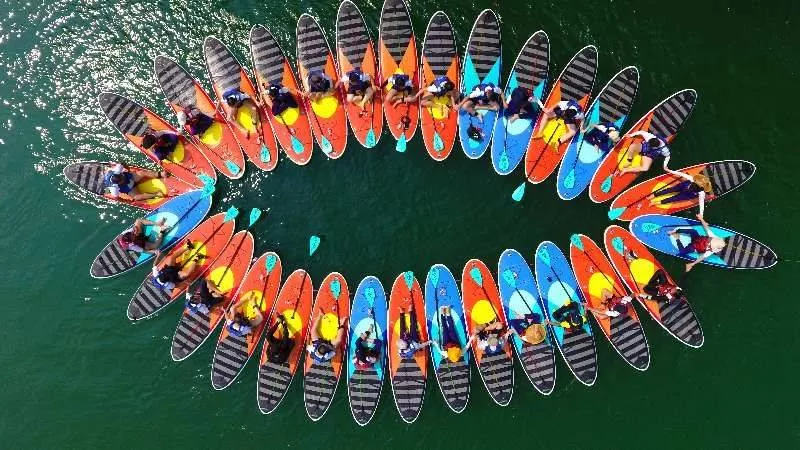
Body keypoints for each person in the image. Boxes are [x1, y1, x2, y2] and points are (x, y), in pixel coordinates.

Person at [648, 168, 714, 219]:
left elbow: (701, 203)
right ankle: (654, 195)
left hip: (687, 195)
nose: (695, 182)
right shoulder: (692, 179)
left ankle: (655, 203)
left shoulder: (701, 193)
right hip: (682, 186)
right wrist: (668, 170)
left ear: (701, 187)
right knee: (669, 190)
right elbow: (681, 174)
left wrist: (701, 214)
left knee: (672, 199)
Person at [104, 163, 168, 202]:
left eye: (122, 177)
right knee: (136, 197)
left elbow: (122, 163)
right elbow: (116, 198)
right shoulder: (113, 188)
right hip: (129, 189)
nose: (123, 180)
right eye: (122, 181)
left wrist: (128, 169)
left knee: (142, 172)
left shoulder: (117, 170)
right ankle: (157, 194)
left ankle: (161, 174)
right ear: (117, 184)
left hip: (131, 178)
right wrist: (126, 201)